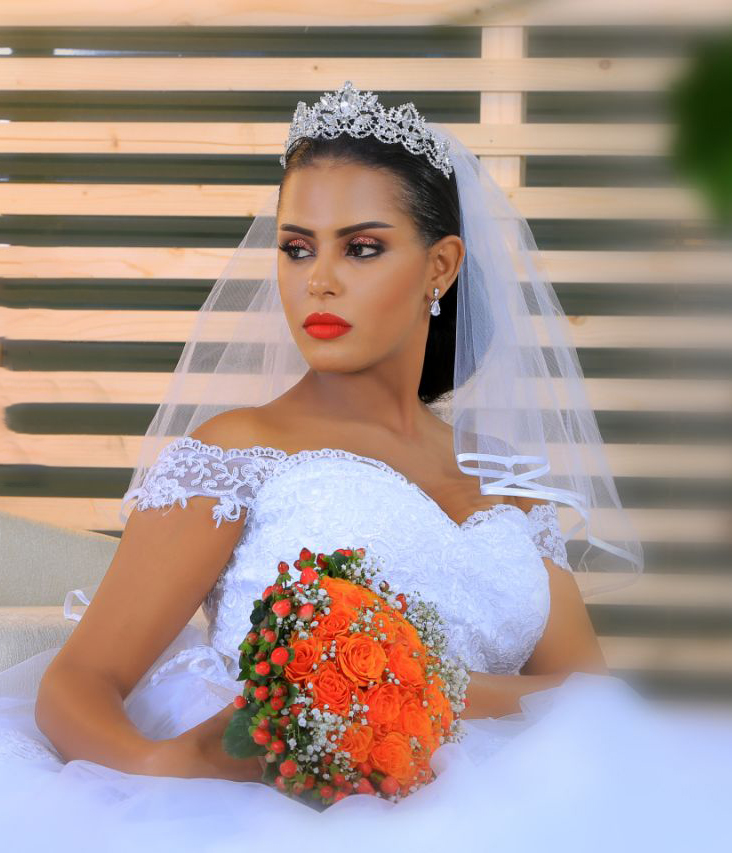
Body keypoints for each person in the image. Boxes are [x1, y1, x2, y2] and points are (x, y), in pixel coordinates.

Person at [0, 81, 730, 853]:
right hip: (283, 820)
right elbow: (79, 680)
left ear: (440, 266)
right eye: (297, 247)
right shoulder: (237, 452)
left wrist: (420, 687)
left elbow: (592, 702)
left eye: (362, 247)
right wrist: (161, 765)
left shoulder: (507, 482)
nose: (319, 279)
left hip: (521, 814)